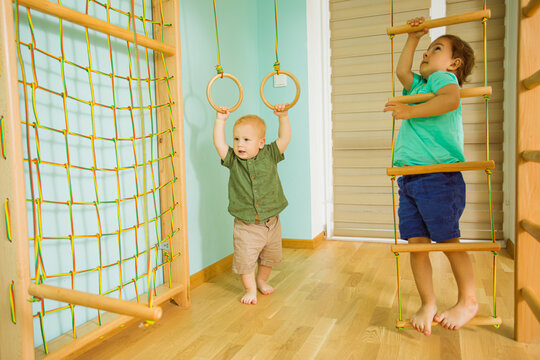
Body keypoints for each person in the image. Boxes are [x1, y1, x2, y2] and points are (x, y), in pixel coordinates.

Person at [383, 17, 477, 335]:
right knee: (416, 243)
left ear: (454, 62)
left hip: (438, 175)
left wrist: (409, 111)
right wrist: (413, 38)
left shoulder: (442, 78)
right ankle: (428, 302)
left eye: (435, 48)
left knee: (448, 240)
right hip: (410, 178)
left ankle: (468, 301)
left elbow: (450, 101)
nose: (427, 54)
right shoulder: (421, 86)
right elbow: (402, 72)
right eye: (426, 49)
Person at [213, 104, 291, 305]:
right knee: (245, 260)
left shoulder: (270, 154)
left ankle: (261, 281)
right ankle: (249, 289)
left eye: (246, 140)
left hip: (272, 223)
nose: (240, 144)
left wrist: (283, 117)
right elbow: (219, 144)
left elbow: (284, 139)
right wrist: (220, 120)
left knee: (269, 258)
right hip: (246, 225)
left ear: (261, 143)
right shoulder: (233, 160)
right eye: (237, 139)